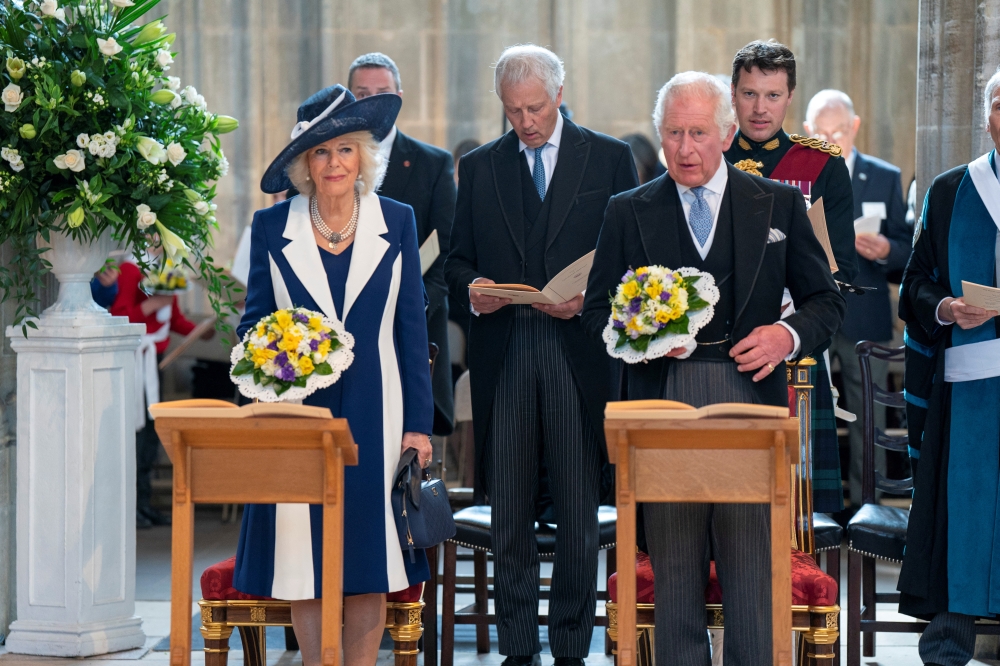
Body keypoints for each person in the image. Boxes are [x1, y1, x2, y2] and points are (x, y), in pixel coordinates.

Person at [583, 71, 845, 665]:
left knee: (752, 571)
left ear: (727, 134)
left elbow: (826, 302)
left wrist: (785, 335)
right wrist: (643, 339)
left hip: (750, 402)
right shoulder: (629, 210)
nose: (684, 148)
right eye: (673, 133)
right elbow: (597, 311)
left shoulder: (776, 202)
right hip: (663, 404)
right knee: (674, 573)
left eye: (698, 132)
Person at [444, 45, 638, 666]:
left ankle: (573, 650)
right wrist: (473, 292)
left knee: (581, 514)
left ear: (559, 94)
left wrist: (591, 299)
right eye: (512, 110)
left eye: (534, 107)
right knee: (510, 514)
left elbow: (634, 262)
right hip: (505, 352)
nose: (525, 121)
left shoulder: (609, 159)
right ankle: (520, 651)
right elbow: (455, 262)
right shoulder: (479, 168)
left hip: (578, 355)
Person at [232, 84, 433, 666]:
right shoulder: (273, 229)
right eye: (321, 152)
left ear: (363, 157)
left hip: (380, 407)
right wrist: (270, 359)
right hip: (300, 413)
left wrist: (418, 426)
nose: (334, 163)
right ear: (304, 164)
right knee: (304, 557)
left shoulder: (397, 221)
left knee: (368, 558)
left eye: (345, 149)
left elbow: (411, 330)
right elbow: (251, 326)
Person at [724, 39, 857, 513]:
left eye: (773, 95)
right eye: (749, 94)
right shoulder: (707, 154)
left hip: (794, 340)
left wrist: (793, 319)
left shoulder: (821, 162)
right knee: (723, 488)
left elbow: (842, 265)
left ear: (790, 96)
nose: (760, 109)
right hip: (720, 344)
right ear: (732, 93)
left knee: (797, 506)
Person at [897, 68, 1000, 666]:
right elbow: (914, 285)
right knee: (964, 505)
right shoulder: (951, 190)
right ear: (986, 116)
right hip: (969, 382)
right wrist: (945, 306)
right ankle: (950, 641)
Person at [803, 89, 911, 507]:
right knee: (809, 413)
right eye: (823, 133)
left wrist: (886, 249)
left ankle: (868, 508)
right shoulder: (800, 176)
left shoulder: (883, 176)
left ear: (856, 127)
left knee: (869, 417)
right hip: (811, 311)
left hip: (864, 314)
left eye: (841, 132)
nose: (833, 142)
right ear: (809, 132)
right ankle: (813, 508)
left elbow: (907, 249)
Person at [347, 52, 457, 438]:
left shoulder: (433, 163)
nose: (374, 102)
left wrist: (413, 305)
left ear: (400, 97)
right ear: (349, 98)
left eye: (384, 93)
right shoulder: (330, 163)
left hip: (414, 327)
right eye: (363, 94)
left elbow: (447, 248)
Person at [110, 249, 210, 529]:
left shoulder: (167, 269)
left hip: (156, 360)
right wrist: (151, 306)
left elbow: (174, 318)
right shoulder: (130, 270)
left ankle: (145, 502)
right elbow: (118, 315)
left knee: (152, 435)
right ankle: (132, 506)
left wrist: (201, 329)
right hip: (135, 360)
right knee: (138, 433)